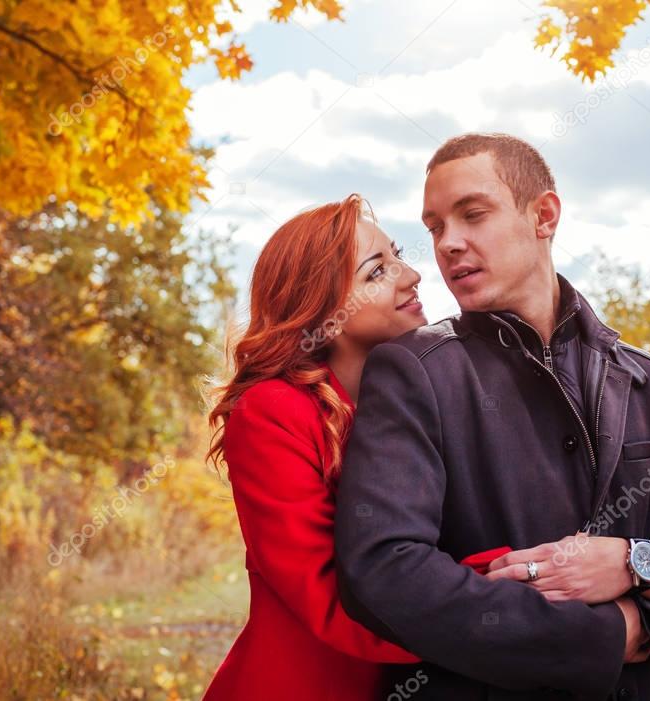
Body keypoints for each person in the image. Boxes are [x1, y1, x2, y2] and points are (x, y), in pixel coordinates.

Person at [334, 133, 650, 700]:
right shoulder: (412, 370)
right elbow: (383, 572)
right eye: (434, 228)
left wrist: (634, 562)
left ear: (544, 215)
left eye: (473, 214)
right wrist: (600, 637)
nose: (448, 244)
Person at [203, 194, 511, 700]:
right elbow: (330, 599)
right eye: (376, 271)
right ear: (321, 310)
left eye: (397, 256)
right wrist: (513, 590)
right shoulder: (271, 412)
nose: (410, 275)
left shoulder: (430, 398)